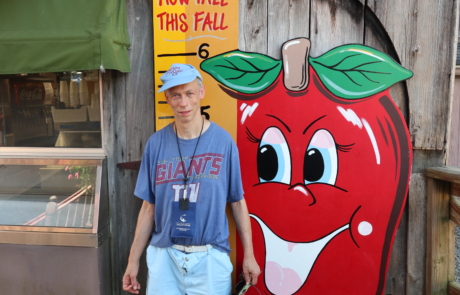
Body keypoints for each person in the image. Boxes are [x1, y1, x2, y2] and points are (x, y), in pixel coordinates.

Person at [122, 63, 260, 295]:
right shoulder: (156, 144)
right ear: (167, 97)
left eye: (189, 93)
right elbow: (148, 207)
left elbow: (237, 201)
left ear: (201, 93)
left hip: (210, 259)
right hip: (164, 257)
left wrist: (249, 255)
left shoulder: (223, 142)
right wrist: (132, 261)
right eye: (175, 95)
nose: (183, 103)